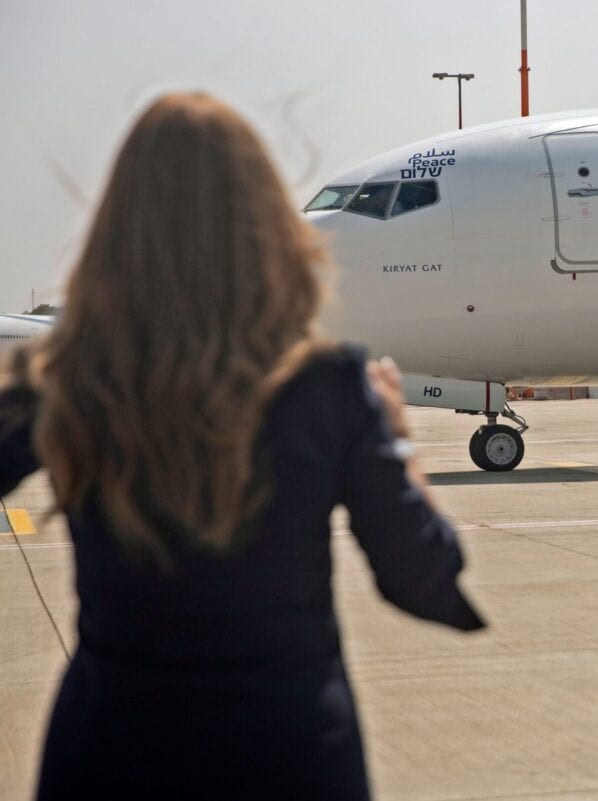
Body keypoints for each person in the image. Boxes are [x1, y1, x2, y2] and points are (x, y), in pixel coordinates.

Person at [0, 93, 484, 800]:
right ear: (264, 228)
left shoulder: (64, 380)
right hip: (291, 755)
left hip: (109, 756)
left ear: (117, 232)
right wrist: (399, 443)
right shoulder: (329, 387)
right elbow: (426, 580)